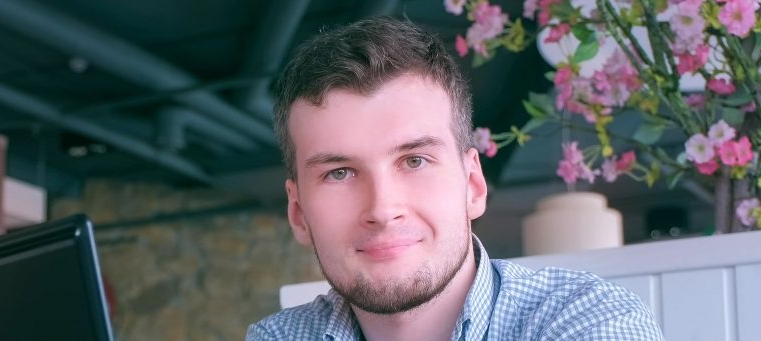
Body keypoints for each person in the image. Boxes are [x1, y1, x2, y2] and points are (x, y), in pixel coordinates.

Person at [247, 17, 663, 341]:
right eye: (339, 173)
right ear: (299, 212)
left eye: (414, 161)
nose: (382, 209)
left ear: (473, 186)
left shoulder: (585, 320)